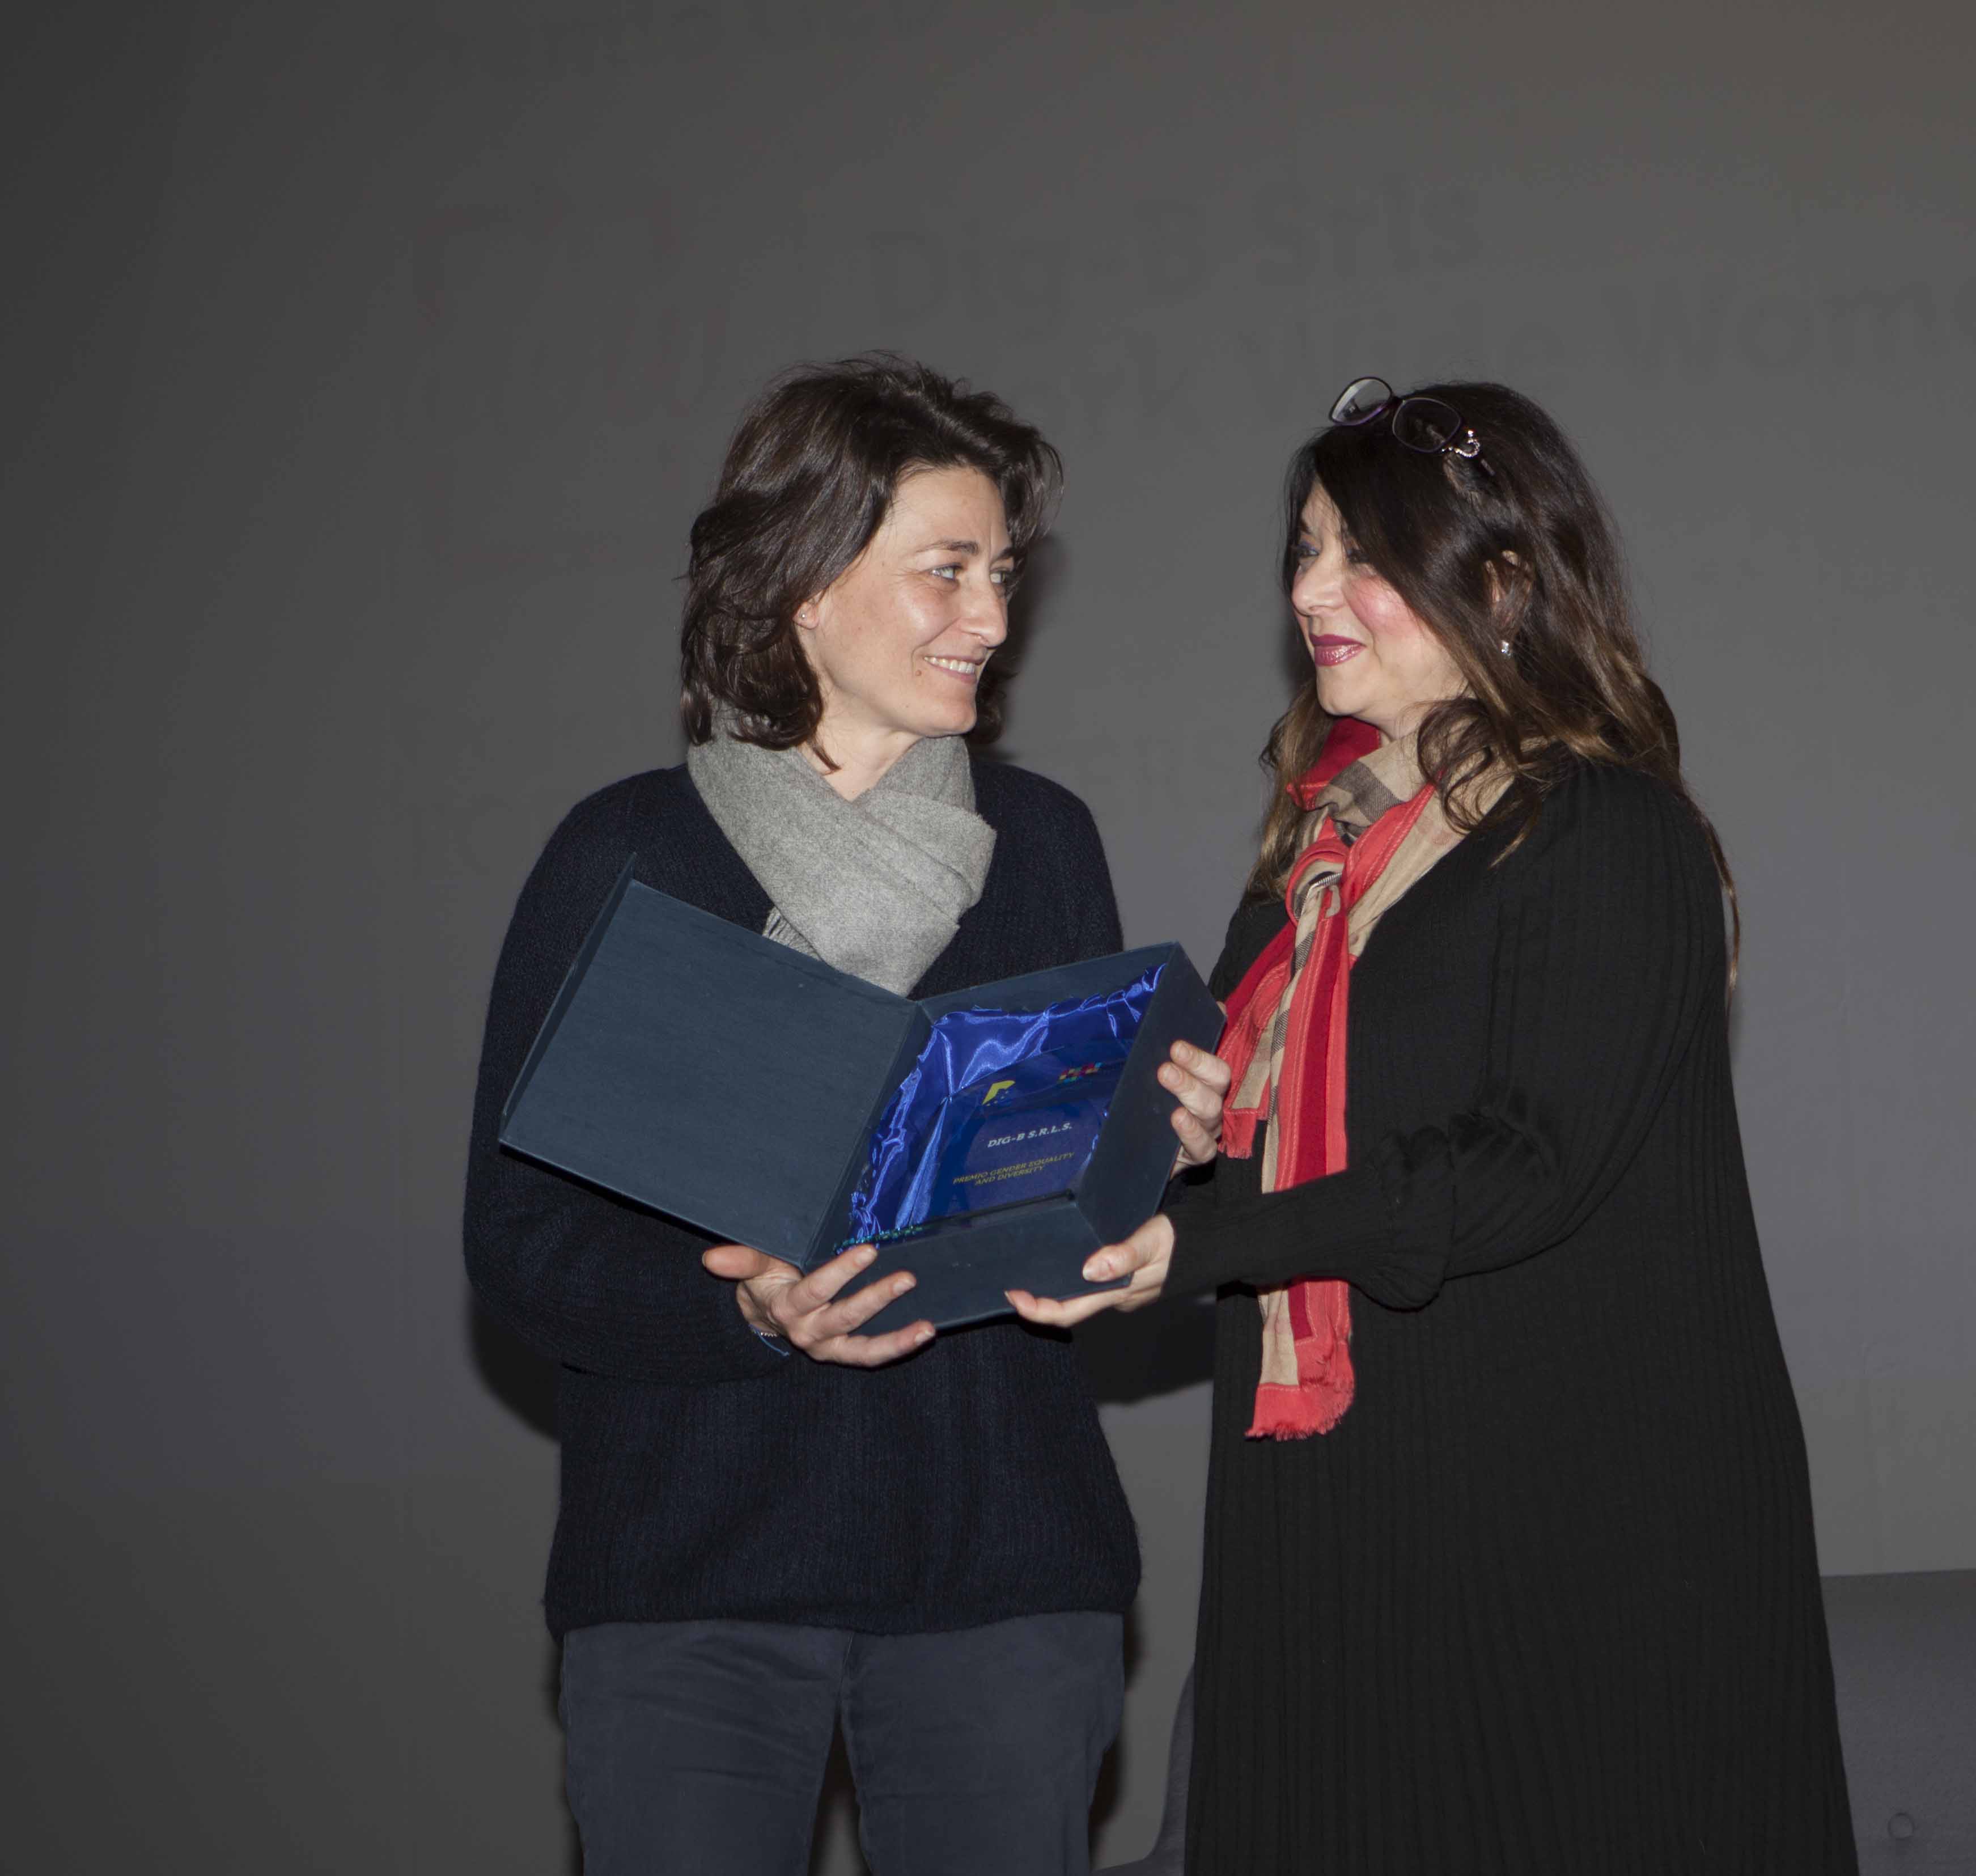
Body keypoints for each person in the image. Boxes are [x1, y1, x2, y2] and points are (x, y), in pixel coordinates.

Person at [1012, 379, 1859, 1871]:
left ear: (1507, 582)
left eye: (1362, 556)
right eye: (1305, 550)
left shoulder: (1605, 829)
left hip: (1572, 1530)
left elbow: (1526, 1166)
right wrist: (1159, 1146)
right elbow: (1236, 1151)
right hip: (1347, 1515)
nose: (1308, 593)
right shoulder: (1316, 857)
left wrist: (1200, 1242)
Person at [465, 355, 1214, 1876]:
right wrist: (742, 1312)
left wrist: (1160, 1157)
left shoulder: (1043, 844)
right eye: (948, 569)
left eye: (1001, 574)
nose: (991, 617)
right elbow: (523, 1244)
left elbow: (1069, 1226)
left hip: (1004, 1576)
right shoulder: (627, 855)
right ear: (806, 586)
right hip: (690, 1588)